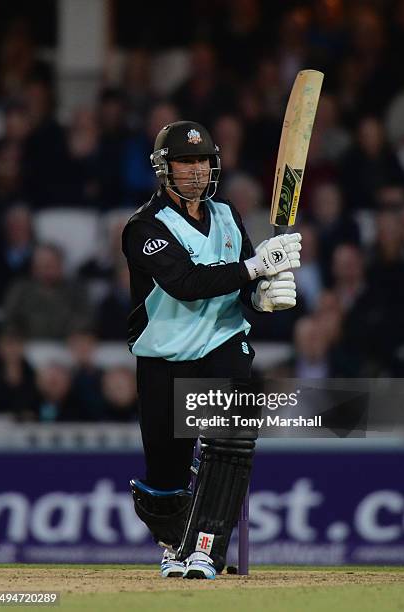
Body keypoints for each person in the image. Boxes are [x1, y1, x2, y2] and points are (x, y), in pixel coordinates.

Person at [121, 121, 302, 579]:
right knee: (164, 484)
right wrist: (257, 266)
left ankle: (205, 547)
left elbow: (240, 284)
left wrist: (261, 296)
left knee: (233, 433)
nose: (197, 171)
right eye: (186, 162)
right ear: (165, 169)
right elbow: (185, 284)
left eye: (203, 161)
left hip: (223, 343)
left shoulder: (226, 215)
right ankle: (176, 542)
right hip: (164, 358)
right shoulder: (144, 227)